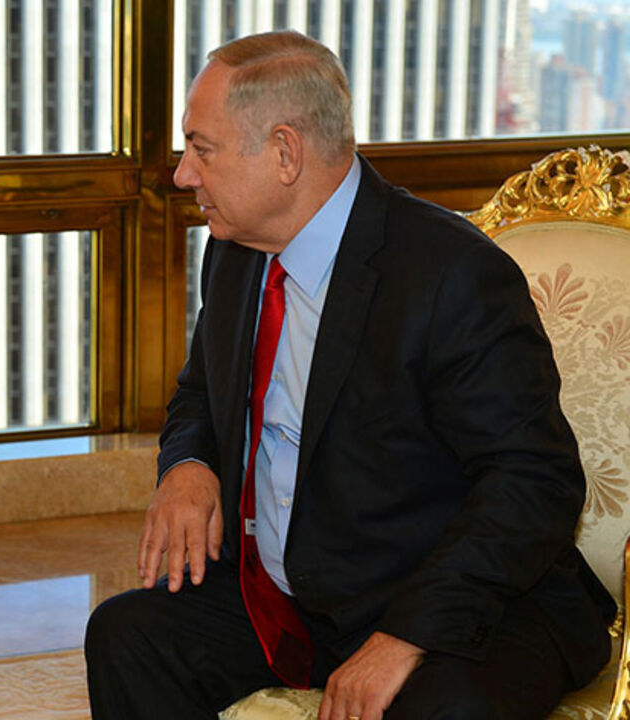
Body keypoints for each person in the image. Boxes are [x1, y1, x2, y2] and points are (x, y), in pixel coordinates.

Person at [85, 30, 614, 720]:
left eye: (200, 149)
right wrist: (188, 465)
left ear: (284, 153)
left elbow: (534, 482)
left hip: (458, 601)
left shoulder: (449, 274)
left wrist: (405, 635)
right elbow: (198, 394)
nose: (183, 174)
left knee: (442, 708)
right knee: (129, 636)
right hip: (300, 596)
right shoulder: (238, 252)